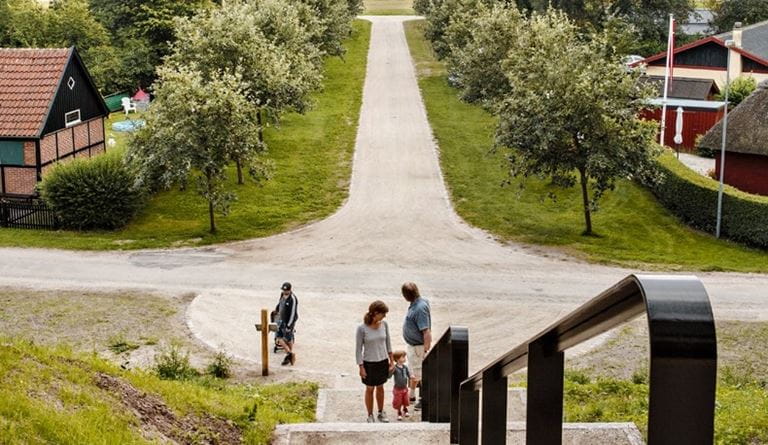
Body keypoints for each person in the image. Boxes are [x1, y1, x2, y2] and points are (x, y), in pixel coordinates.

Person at [356, 300, 394, 423]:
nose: (384, 316)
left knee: (381, 387)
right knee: (370, 389)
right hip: (369, 363)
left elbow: (388, 343)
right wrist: (361, 367)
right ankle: (370, 414)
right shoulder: (362, 328)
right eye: (383, 314)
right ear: (375, 313)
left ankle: (381, 412)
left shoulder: (385, 325)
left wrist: (391, 361)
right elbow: (358, 349)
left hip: (382, 361)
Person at [401, 281, 431, 410]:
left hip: (418, 347)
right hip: (413, 346)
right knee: (414, 372)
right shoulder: (418, 303)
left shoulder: (419, 308)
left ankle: (424, 400)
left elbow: (426, 331)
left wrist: (425, 349)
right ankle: (412, 395)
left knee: (421, 374)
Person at [273, 282, 298, 366]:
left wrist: (289, 325)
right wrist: (276, 310)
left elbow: (293, 313)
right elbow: (280, 303)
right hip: (281, 319)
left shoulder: (293, 299)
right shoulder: (282, 295)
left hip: (289, 322)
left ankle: (289, 355)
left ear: (290, 290)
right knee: (278, 336)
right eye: (283, 290)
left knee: (288, 338)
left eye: (286, 291)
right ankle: (290, 353)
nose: (284, 292)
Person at [389, 350, 411, 421]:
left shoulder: (405, 367)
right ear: (397, 359)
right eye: (403, 357)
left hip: (405, 387)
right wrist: (390, 370)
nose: (404, 359)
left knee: (405, 399)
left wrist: (411, 376)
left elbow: (408, 374)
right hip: (398, 388)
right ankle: (399, 412)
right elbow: (389, 376)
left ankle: (405, 408)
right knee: (398, 401)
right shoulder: (395, 368)